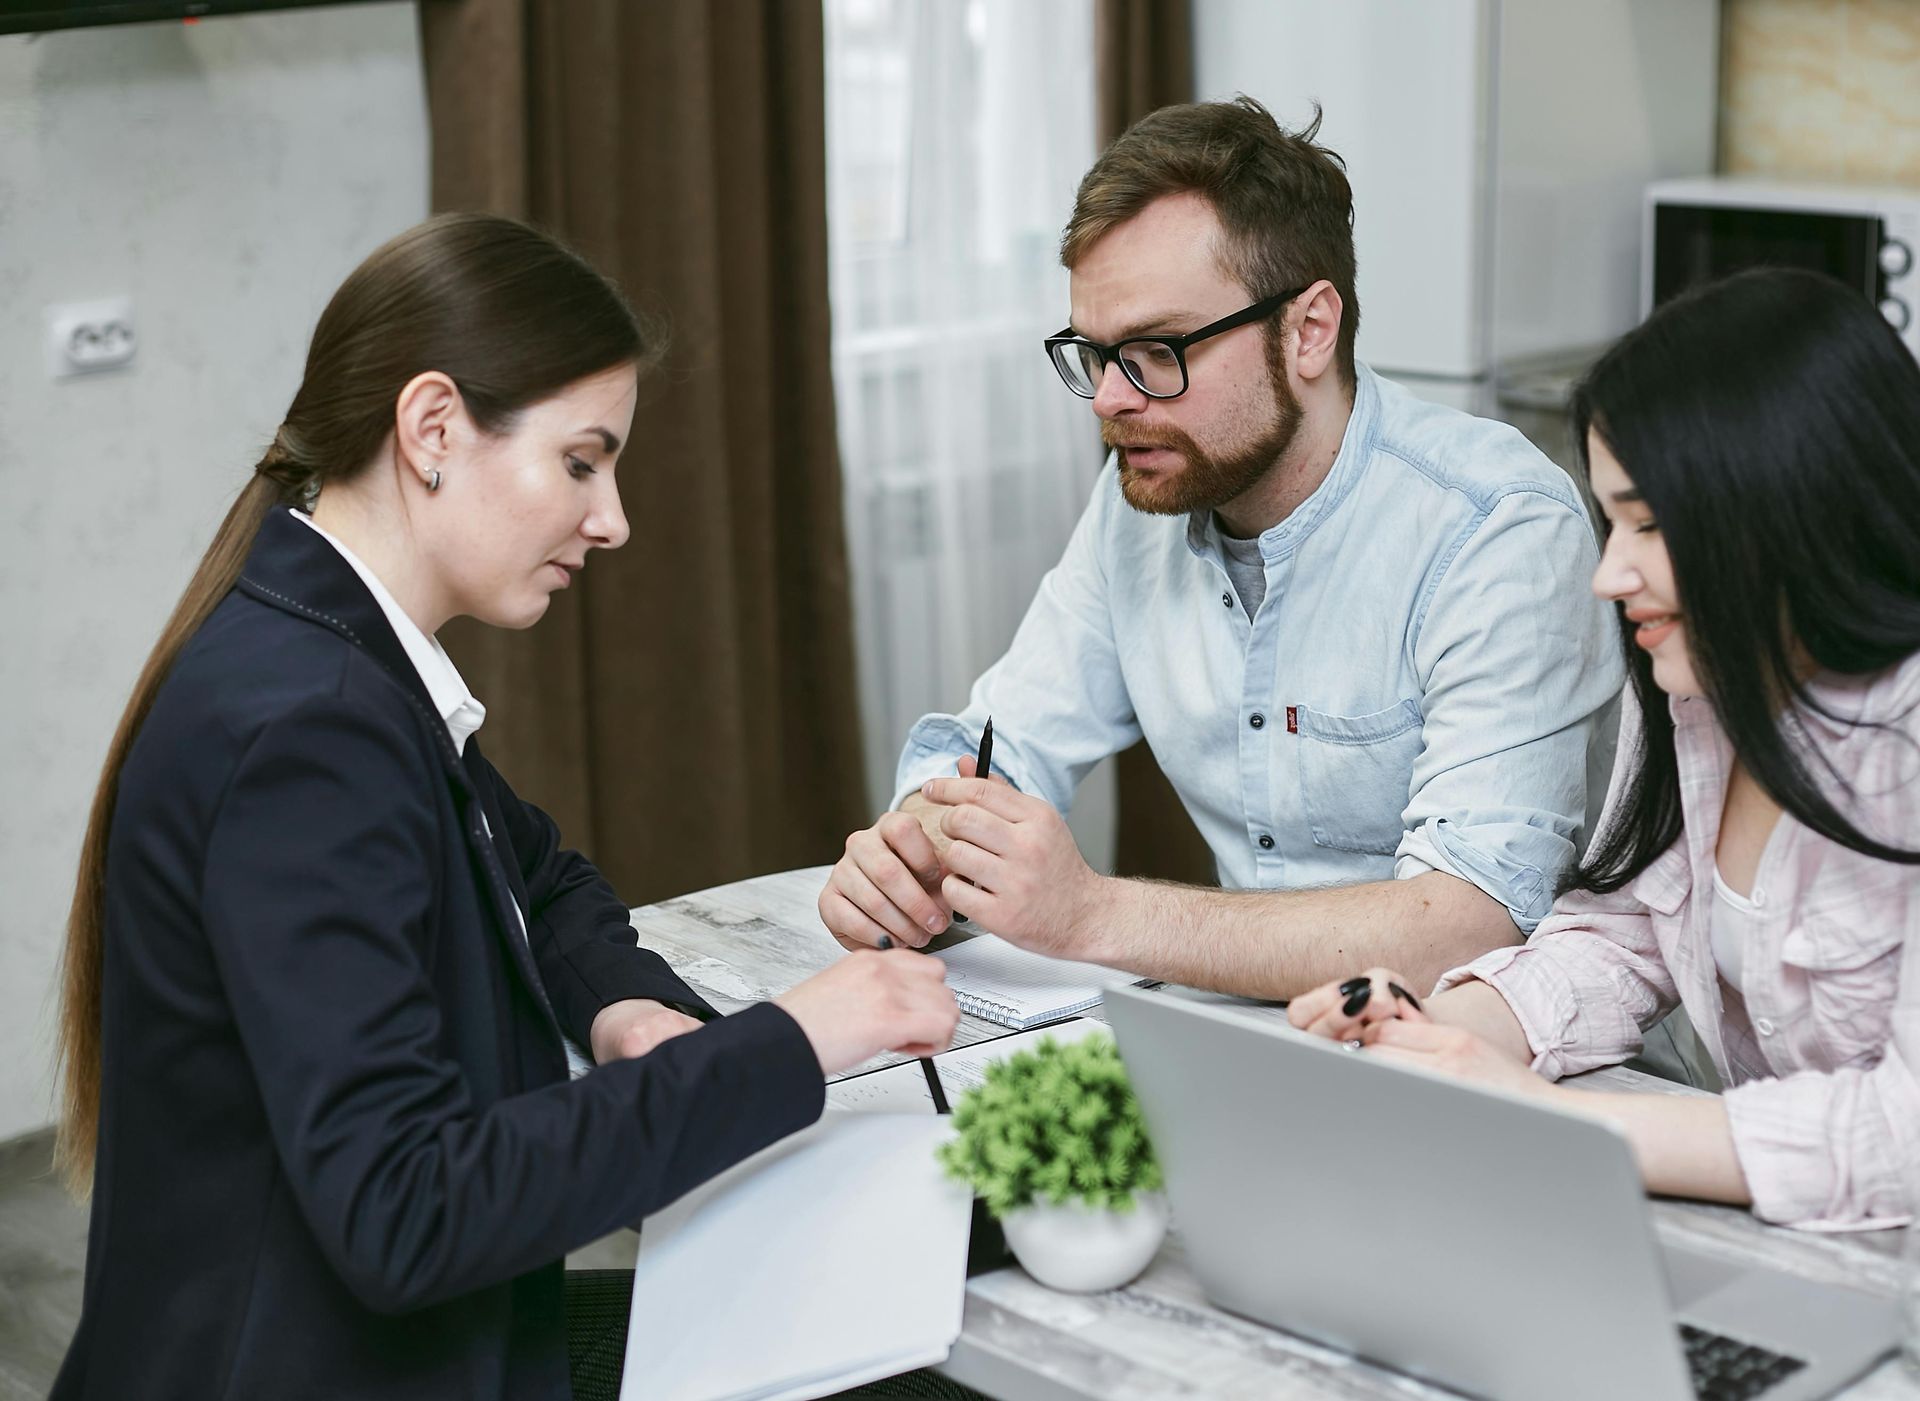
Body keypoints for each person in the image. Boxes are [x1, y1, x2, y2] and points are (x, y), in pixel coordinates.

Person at [49, 213, 959, 1400]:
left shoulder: (334, 656)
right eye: (582, 460)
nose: (612, 517)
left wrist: (625, 1005)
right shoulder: (312, 731)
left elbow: (531, 869)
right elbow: (409, 1212)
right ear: (432, 429)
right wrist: (795, 1037)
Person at [819, 97, 1622, 999]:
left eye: (1157, 350)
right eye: (1094, 353)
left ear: (1309, 329)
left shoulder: (1496, 528)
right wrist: (918, 841)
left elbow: (1472, 919)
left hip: (1508, 1064)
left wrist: (1092, 915)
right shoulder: (1143, 502)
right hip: (1260, 1048)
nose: (1109, 402)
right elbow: (1000, 744)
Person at [1289, 267, 1920, 1230]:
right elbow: (1618, 939)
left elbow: (1901, 1131)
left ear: (1787, 505)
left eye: (1650, 525)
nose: (1607, 574)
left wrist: (1556, 1121)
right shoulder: (1698, 687)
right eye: (1609, 520)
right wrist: (1438, 1033)